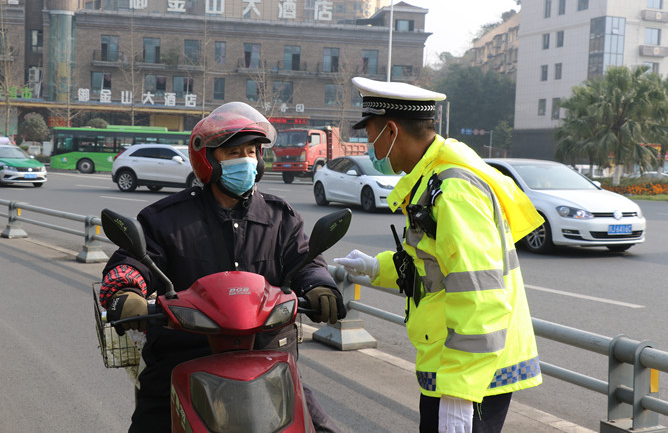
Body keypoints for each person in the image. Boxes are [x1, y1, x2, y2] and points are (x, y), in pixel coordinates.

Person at [100, 102, 345, 433]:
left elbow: (306, 260)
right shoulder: (166, 219)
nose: (245, 159)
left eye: (251, 151)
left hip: (267, 359)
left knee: (322, 428)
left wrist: (319, 286)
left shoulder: (281, 217)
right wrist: (126, 291)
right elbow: (132, 260)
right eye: (233, 152)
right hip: (184, 357)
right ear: (208, 159)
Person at [334, 77, 543, 433]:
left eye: (370, 134)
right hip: (452, 364)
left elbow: (480, 297)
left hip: (472, 376)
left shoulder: (454, 191)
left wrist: (460, 396)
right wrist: (375, 267)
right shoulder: (430, 181)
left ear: (391, 130)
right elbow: (431, 267)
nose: (368, 145)